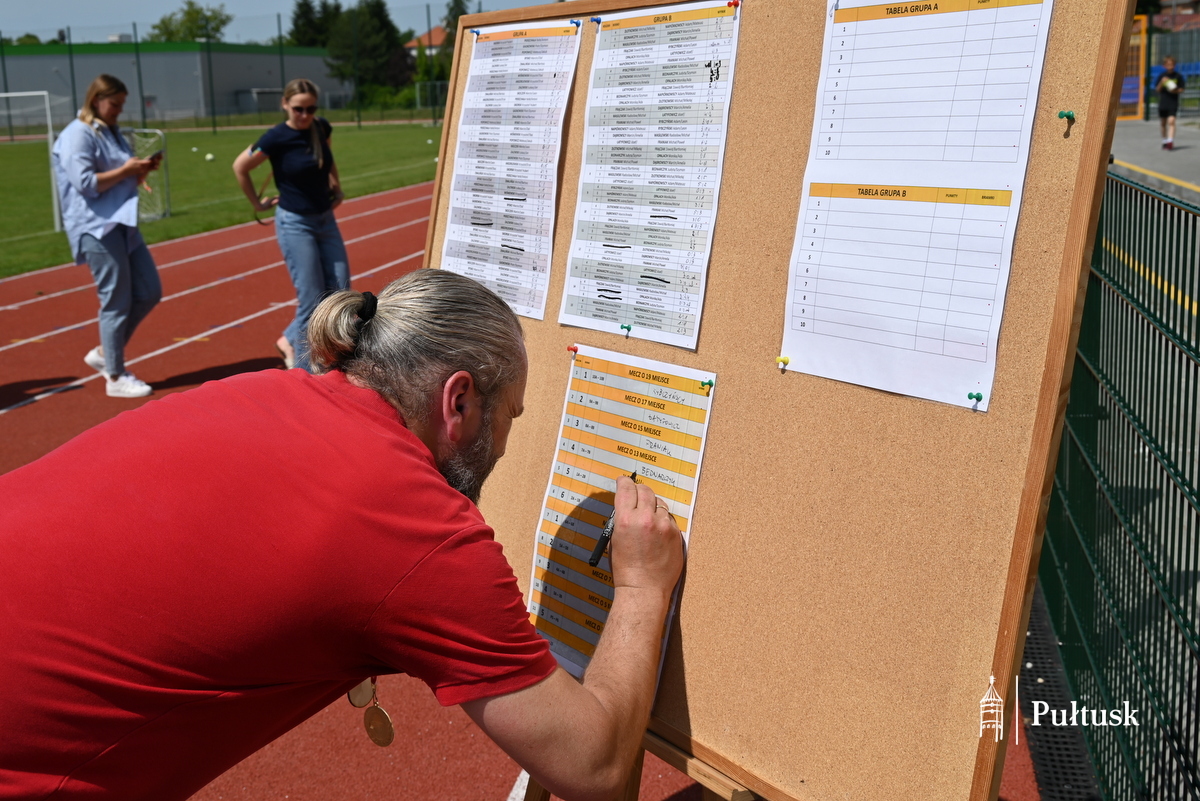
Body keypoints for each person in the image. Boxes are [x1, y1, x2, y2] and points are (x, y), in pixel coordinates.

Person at [0, 269, 684, 801]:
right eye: (508, 415)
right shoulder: (414, 525)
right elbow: (591, 767)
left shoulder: (262, 390)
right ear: (460, 400)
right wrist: (642, 583)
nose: (505, 443)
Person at [53, 74, 163, 398]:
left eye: (121, 105)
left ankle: (104, 354)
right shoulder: (78, 135)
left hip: (122, 222)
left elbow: (118, 172)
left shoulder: (110, 131)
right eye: (114, 104)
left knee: (149, 290)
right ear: (96, 99)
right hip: (96, 226)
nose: (118, 110)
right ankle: (115, 375)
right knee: (115, 300)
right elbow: (86, 183)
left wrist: (139, 169)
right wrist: (127, 172)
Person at [233, 78, 349, 370]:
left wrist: (337, 186)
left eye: (311, 108)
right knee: (311, 301)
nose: (305, 115)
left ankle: (287, 338)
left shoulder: (321, 128)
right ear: (285, 104)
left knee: (339, 293)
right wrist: (257, 204)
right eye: (299, 109)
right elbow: (240, 167)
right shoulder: (275, 138)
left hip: (325, 218)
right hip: (295, 223)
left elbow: (327, 158)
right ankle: (303, 372)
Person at [1156, 56, 1186, 151]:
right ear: (1164, 65)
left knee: (1171, 121)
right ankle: (1164, 140)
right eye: (1168, 64)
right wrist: (1162, 82)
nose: (1170, 66)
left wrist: (1175, 90)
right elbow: (1157, 90)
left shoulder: (1178, 76)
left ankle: (1170, 141)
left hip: (1173, 102)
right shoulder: (1162, 76)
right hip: (1164, 102)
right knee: (1163, 123)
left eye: (1172, 64)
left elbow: (1182, 89)